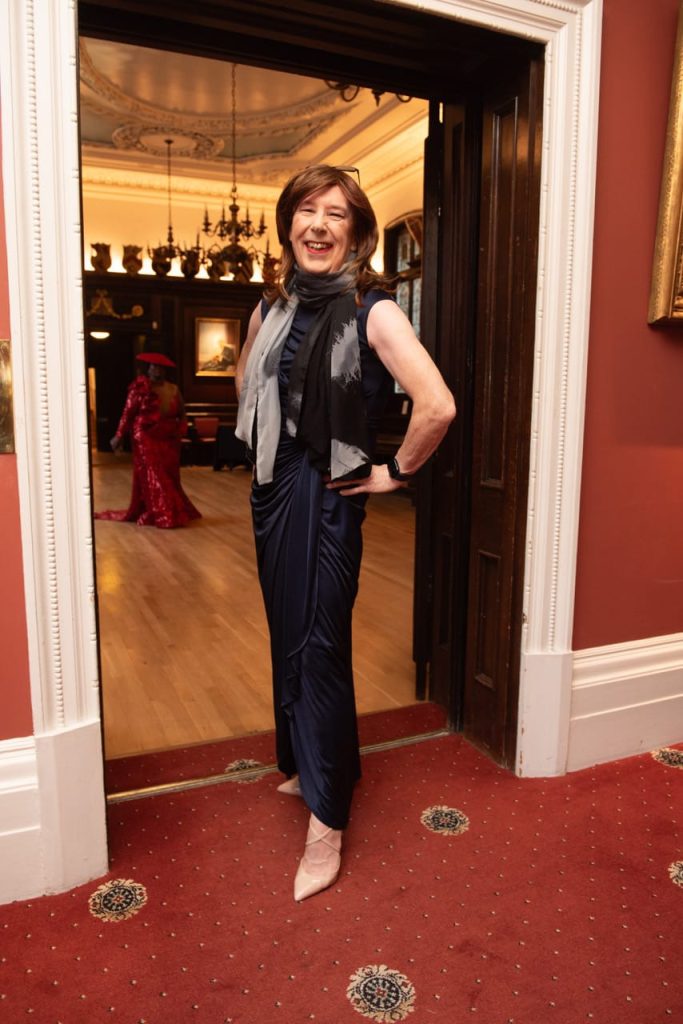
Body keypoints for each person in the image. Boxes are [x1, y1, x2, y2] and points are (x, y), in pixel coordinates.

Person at [235, 165, 455, 902]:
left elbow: (437, 405)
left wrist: (392, 473)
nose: (319, 223)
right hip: (272, 492)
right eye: (307, 209)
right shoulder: (269, 306)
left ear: (356, 233)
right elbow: (245, 385)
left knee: (320, 645)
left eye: (336, 212)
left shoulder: (374, 310)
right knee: (286, 634)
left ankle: (327, 820)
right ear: (288, 224)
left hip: (327, 498)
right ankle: (311, 765)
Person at [95, 352, 201, 529]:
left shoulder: (173, 389)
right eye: (153, 367)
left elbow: (182, 413)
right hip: (144, 435)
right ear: (148, 369)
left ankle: (168, 509)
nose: (156, 370)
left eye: (159, 367)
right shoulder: (140, 388)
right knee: (154, 473)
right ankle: (165, 513)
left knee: (169, 474)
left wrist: (181, 429)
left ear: (164, 370)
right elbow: (128, 413)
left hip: (168, 437)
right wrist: (119, 435)